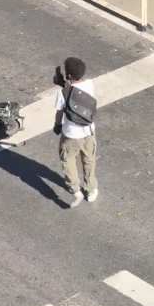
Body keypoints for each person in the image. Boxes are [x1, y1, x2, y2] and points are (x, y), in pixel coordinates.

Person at [53, 57, 98, 208]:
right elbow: (78, 93)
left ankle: (75, 190)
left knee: (68, 161)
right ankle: (91, 189)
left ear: (69, 76)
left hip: (71, 135)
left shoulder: (62, 93)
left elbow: (60, 112)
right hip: (89, 132)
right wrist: (66, 84)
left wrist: (57, 126)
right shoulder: (90, 84)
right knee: (89, 160)